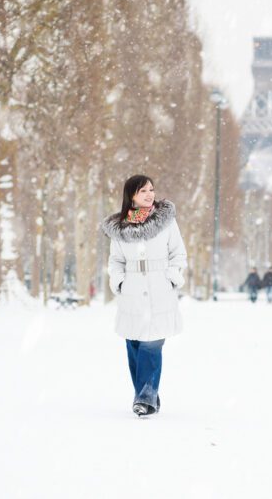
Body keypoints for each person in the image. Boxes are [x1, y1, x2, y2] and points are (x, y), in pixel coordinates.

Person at [101, 175, 187, 417]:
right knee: (135, 345)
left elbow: (178, 253)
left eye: (151, 189)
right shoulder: (120, 228)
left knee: (152, 344)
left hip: (160, 289)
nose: (150, 195)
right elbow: (116, 260)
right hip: (132, 292)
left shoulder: (166, 221)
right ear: (132, 196)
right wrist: (119, 281)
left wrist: (172, 276)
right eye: (143, 191)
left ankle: (145, 397)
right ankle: (147, 397)